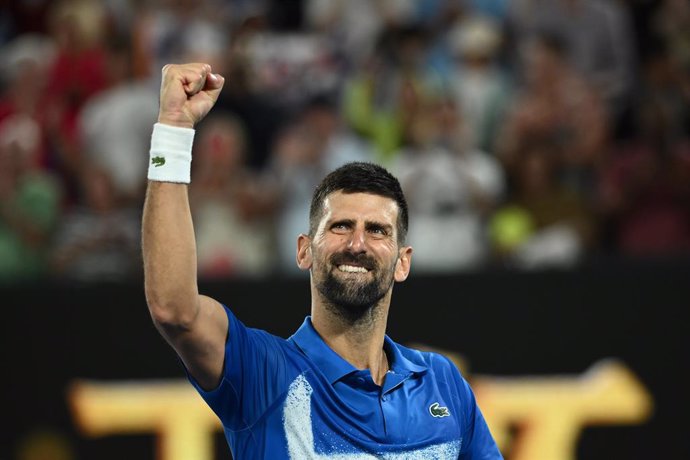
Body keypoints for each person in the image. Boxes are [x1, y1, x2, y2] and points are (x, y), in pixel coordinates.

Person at [142, 63, 502, 459]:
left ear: (403, 262)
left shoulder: (443, 382)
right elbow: (175, 309)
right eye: (341, 226)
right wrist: (173, 130)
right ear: (304, 250)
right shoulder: (264, 374)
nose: (358, 244)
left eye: (378, 230)